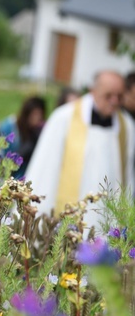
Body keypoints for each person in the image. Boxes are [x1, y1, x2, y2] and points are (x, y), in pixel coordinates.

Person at [24, 71, 135, 231]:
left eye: (119, 96)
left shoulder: (127, 126)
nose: (114, 101)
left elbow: (128, 179)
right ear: (93, 91)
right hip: (70, 213)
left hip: (108, 218)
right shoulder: (64, 118)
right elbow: (45, 168)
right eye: (108, 95)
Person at [0, 96, 47, 178]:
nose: (38, 118)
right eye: (35, 114)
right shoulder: (10, 127)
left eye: (40, 115)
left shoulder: (38, 130)